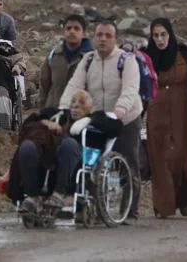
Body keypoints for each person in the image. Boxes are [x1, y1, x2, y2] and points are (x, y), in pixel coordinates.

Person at [58, 20, 143, 224]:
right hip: (97, 119)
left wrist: (119, 112)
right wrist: (62, 110)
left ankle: (130, 210)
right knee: (89, 161)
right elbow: (74, 85)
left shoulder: (126, 61)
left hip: (125, 118)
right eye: (100, 35)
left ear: (115, 39)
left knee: (128, 160)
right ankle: (88, 205)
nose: (103, 39)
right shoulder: (87, 61)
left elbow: (131, 89)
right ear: (93, 37)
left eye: (108, 35)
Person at [9, 92, 123, 217]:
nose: (75, 106)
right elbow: (34, 118)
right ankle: (33, 197)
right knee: (27, 147)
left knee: (69, 145)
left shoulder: (98, 117)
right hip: (51, 165)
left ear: (90, 106)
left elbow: (117, 128)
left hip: (78, 166)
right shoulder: (62, 115)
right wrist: (46, 122)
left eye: (81, 103)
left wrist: (89, 120)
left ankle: (59, 194)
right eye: (73, 102)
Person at [142, 18, 187, 219]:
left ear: (170, 34)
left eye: (163, 35)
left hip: (183, 111)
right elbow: (139, 87)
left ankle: (185, 198)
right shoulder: (147, 58)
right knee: (160, 159)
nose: (160, 39)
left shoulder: (184, 54)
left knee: (183, 157)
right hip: (157, 113)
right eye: (156, 35)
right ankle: (164, 206)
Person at [39, 14, 94, 109]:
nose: (72, 31)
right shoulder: (53, 56)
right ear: (63, 32)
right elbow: (44, 86)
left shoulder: (91, 59)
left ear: (83, 33)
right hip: (53, 112)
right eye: (68, 28)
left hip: (80, 114)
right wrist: (42, 112)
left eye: (76, 28)